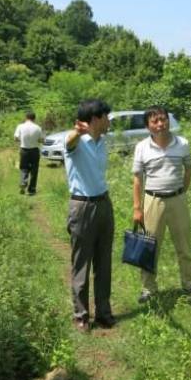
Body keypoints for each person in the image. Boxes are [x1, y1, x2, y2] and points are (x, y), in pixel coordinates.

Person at [132, 105, 191, 303]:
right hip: (153, 200)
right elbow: (137, 179)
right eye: (155, 121)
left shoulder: (182, 144)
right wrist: (137, 208)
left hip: (177, 199)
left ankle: (189, 285)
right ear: (148, 126)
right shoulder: (141, 147)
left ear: (168, 120)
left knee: (184, 245)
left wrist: (181, 192)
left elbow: (188, 170)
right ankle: (148, 289)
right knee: (149, 246)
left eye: (163, 119)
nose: (160, 124)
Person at [64, 99, 116, 332]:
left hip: (104, 203)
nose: (109, 120)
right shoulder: (77, 140)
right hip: (82, 207)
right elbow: (69, 142)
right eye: (106, 116)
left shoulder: (101, 142)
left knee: (104, 262)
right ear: (95, 119)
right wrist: (77, 130)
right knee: (81, 263)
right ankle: (81, 315)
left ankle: (103, 312)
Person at [14, 111, 43, 195]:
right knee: (34, 170)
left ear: (26, 117)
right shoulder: (38, 127)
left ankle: (23, 182)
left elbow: (16, 138)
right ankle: (32, 189)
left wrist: (22, 140)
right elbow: (41, 140)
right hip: (34, 150)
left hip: (24, 150)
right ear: (34, 118)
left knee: (23, 168)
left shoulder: (20, 126)